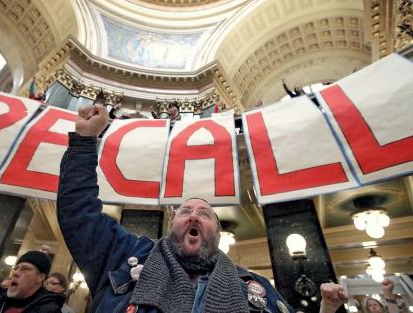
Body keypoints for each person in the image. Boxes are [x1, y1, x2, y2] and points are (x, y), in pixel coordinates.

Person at [57, 104, 349, 313]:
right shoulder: (123, 258)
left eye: (205, 214)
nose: (194, 214)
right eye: (184, 211)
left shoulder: (254, 287)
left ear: (218, 233)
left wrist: (327, 309)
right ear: (172, 224)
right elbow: (78, 212)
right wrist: (84, 141)